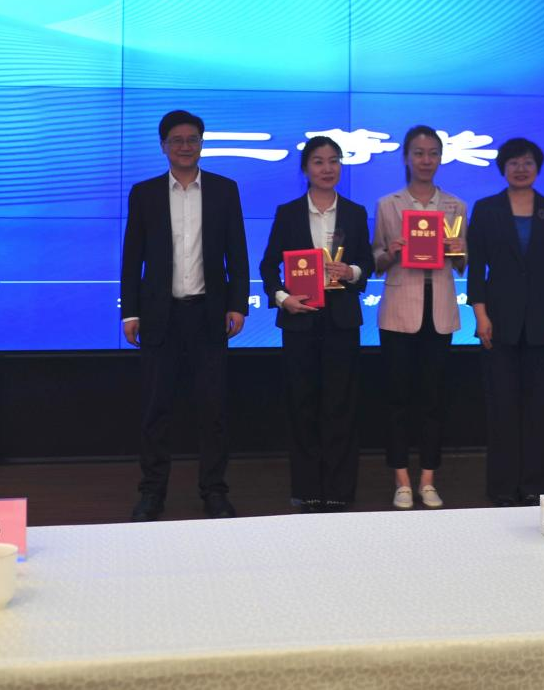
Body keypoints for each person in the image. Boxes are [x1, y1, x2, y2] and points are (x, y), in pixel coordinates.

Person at [121, 110, 249, 522]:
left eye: (192, 139)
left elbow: (237, 252)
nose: (185, 146)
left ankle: (214, 491)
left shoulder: (225, 190)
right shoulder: (144, 194)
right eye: (176, 140)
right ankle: (152, 493)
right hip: (160, 317)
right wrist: (130, 312)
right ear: (163, 146)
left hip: (209, 315)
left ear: (201, 144)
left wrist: (238, 304)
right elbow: (132, 258)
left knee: (213, 411)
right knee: (155, 411)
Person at [259, 136, 374, 512]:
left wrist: (351, 271)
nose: (327, 168)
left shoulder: (354, 213)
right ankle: (307, 489)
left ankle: (339, 490)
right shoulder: (289, 213)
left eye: (334, 161)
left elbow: (367, 264)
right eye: (319, 161)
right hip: (300, 320)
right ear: (306, 168)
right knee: (302, 405)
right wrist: (282, 298)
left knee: (341, 405)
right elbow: (268, 266)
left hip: (342, 320)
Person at [466, 137, 544, 506]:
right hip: (498, 320)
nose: (521, 168)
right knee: (502, 409)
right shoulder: (486, 209)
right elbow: (476, 270)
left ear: (537, 167)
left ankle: (534, 487)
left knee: (538, 411)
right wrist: (480, 315)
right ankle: (501, 488)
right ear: (503, 168)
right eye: (513, 162)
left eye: (527, 162)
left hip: (543, 321)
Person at [371, 126, 467, 510]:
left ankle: (428, 479)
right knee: (397, 400)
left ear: (440, 158)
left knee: (433, 400)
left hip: (439, 311)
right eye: (419, 153)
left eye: (433, 153)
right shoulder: (387, 204)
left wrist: (458, 250)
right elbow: (375, 261)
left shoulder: (456, 206)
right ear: (406, 158)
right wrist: (390, 251)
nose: (426, 160)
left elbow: (461, 265)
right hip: (398, 312)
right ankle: (401, 480)